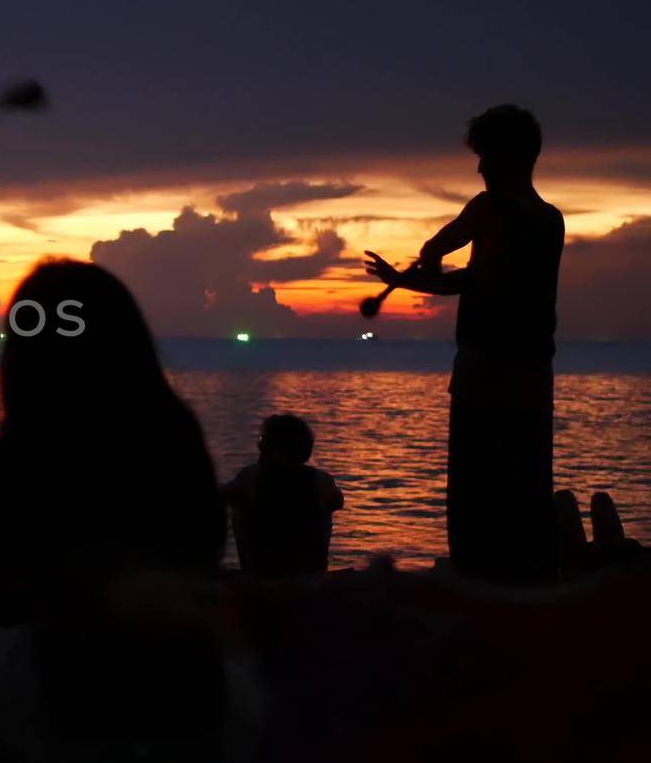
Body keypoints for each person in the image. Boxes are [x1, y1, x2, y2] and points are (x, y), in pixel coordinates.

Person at [0, 260, 229, 759]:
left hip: (67, 690)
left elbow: (6, 606)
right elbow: (207, 548)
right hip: (187, 686)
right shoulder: (172, 436)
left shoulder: (4, 469)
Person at [365, 104, 564, 585]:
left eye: (486, 157)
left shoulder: (488, 208)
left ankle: (480, 580)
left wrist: (412, 273)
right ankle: (524, 578)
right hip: (534, 375)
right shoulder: (551, 220)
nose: (479, 168)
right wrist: (415, 277)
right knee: (524, 482)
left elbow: (444, 256)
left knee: (476, 488)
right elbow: (478, 278)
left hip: (485, 371)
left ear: (508, 159)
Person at [222, 414, 343, 577]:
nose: (259, 445)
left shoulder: (251, 478)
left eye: (262, 438)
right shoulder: (322, 481)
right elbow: (337, 501)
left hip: (260, 580)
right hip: (311, 580)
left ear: (273, 446)